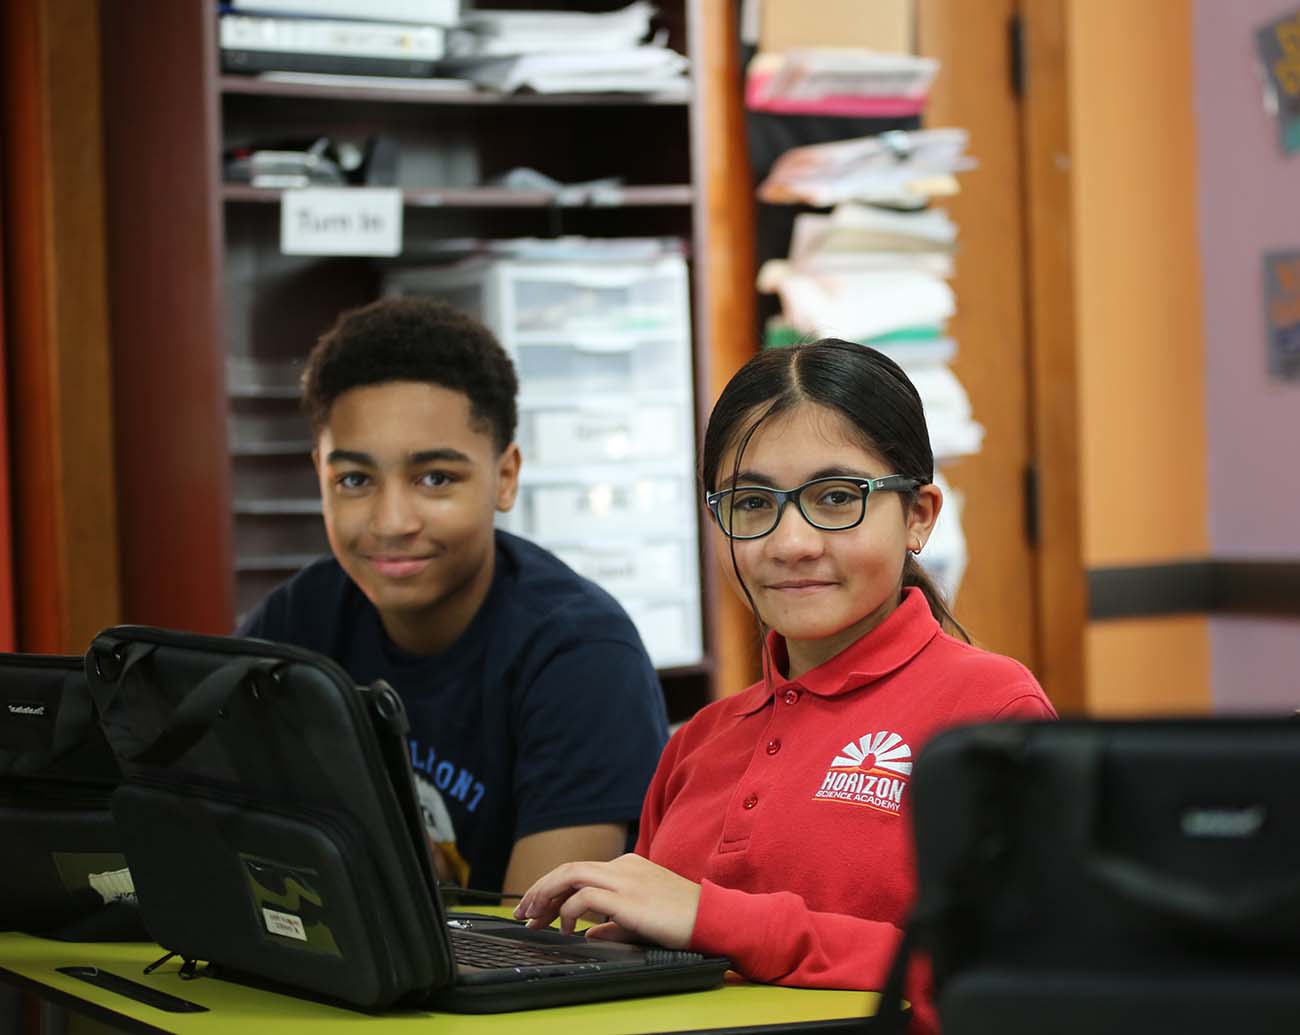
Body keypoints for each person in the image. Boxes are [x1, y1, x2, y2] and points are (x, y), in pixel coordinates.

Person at [513, 339, 1057, 1033]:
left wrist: (718, 920)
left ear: (918, 514)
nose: (791, 541)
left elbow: (1017, 978)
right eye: (751, 502)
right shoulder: (699, 743)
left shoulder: (990, 708)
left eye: (836, 497)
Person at [237, 296, 669, 898]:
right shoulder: (297, 619)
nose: (391, 520)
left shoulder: (583, 654)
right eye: (354, 480)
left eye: (435, 478)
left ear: (505, 477)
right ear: (320, 475)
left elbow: (534, 945)